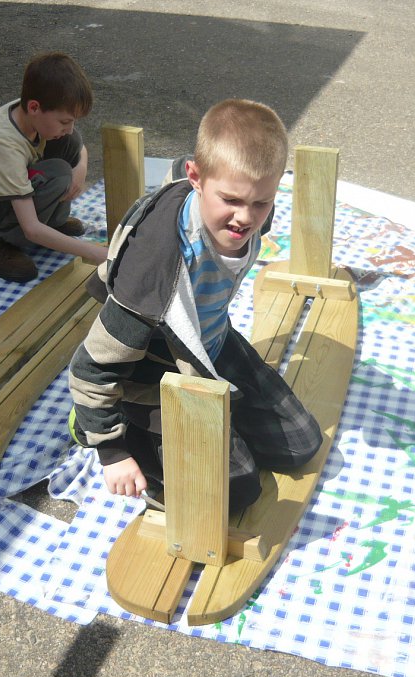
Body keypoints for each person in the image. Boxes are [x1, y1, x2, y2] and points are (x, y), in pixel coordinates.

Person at [68, 99, 322, 515]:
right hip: (153, 375)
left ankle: (221, 424)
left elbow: (237, 195)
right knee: (235, 492)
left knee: (300, 444)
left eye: (261, 203)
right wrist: (111, 452)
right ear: (196, 178)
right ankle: (108, 429)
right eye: (232, 200)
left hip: (209, 343)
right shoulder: (152, 273)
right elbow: (91, 368)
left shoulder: (244, 203)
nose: (245, 219)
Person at [0, 51, 108, 282]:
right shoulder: (2, 144)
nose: (70, 127)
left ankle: (51, 224)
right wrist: (96, 253)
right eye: (65, 121)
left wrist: (81, 168)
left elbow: (79, 147)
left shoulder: (32, 115)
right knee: (59, 174)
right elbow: (31, 228)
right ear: (34, 107)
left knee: (70, 142)